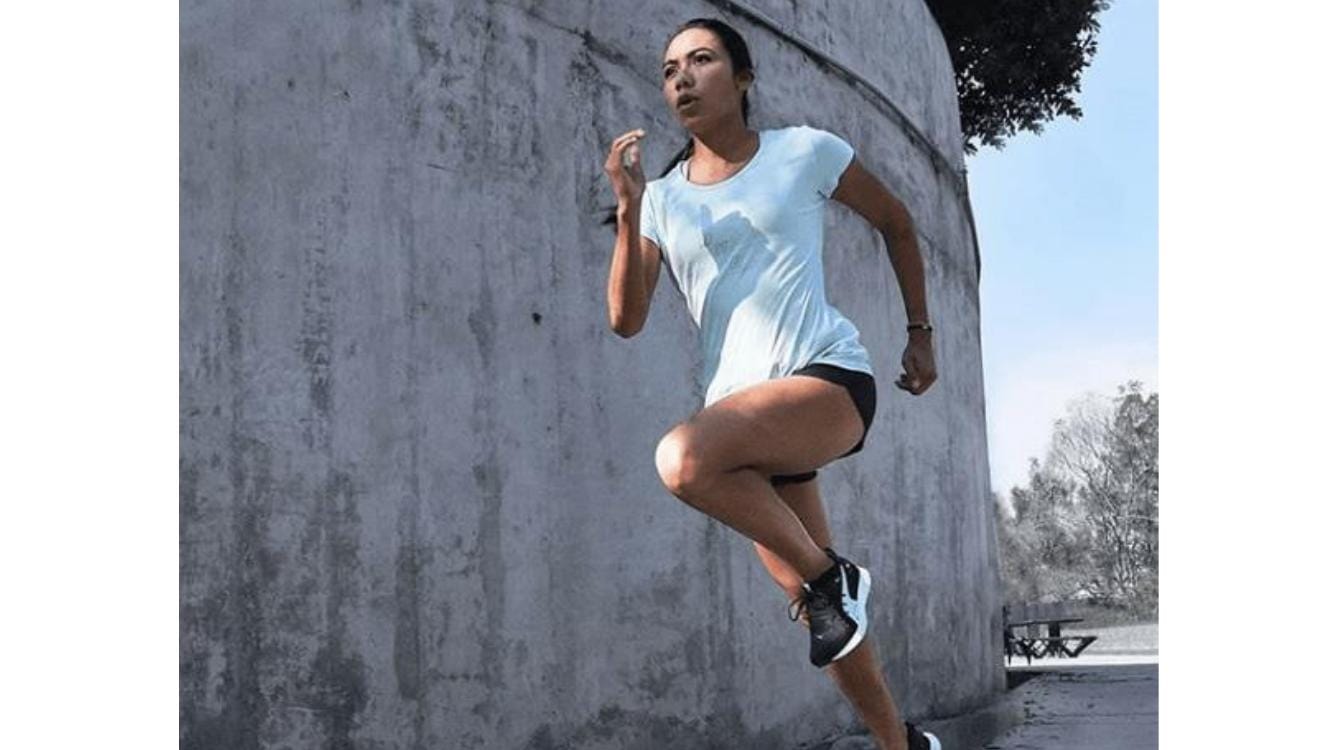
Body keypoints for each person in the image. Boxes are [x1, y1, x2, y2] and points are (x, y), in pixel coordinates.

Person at [602, 17, 941, 750]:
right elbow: (625, 319)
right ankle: (901, 743)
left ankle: (833, 580)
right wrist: (630, 210)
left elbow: (896, 221)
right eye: (669, 70)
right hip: (743, 422)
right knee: (825, 619)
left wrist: (920, 332)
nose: (681, 78)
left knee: (682, 460)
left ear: (743, 78)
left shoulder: (803, 152)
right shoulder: (661, 199)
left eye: (700, 60)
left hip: (827, 380)